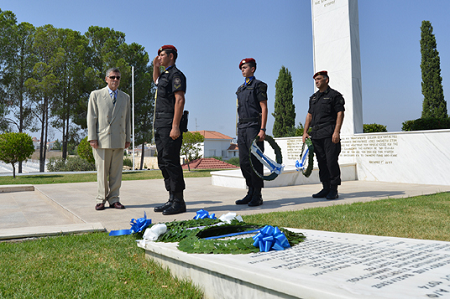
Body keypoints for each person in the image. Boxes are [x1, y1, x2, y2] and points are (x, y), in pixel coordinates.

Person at [87, 67, 131, 210]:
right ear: (106, 79)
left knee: (116, 173)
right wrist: (92, 137)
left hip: (119, 139)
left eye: (118, 77)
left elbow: (127, 120)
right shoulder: (96, 95)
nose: (115, 80)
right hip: (101, 140)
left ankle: (114, 199)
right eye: (112, 77)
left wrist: (128, 138)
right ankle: (101, 199)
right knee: (102, 173)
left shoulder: (125, 97)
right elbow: (92, 117)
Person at [152, 45, 187, 215]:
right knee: (163, 161)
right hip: (159, 124)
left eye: (162, 55)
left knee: (171, 161)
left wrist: (175, 126)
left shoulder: (176, 75)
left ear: (171, 57)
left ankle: (179, 201)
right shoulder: (165, 75)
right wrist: (155, 67)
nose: (159, 57)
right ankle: (171, 198)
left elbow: (179, 100)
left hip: (169, 123)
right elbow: (156, 82)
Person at [302, 70, 345, 200]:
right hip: (316, 134)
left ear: (326, 80)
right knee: (321, 162)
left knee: (331, 161)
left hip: (329, 133)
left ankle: (333, 189)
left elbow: (340, 113)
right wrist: (305, 132)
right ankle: (325, 187)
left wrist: (336, 131)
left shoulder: (334, 95)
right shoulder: (313, 98)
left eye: (319, 79)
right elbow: (309, 115)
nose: (317, 81)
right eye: (315, 79)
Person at [235, 58, 268, 207]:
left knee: (255, 161)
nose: (242, 69)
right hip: (242, 128)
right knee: (243, 162)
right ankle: (250, 191)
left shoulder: (258, 86)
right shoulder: (240, 89)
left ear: (253, 69)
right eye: (241, 68)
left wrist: (262, 129)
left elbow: (264, 107)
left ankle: (257, 194)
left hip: (254, 126)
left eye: (245, 67)